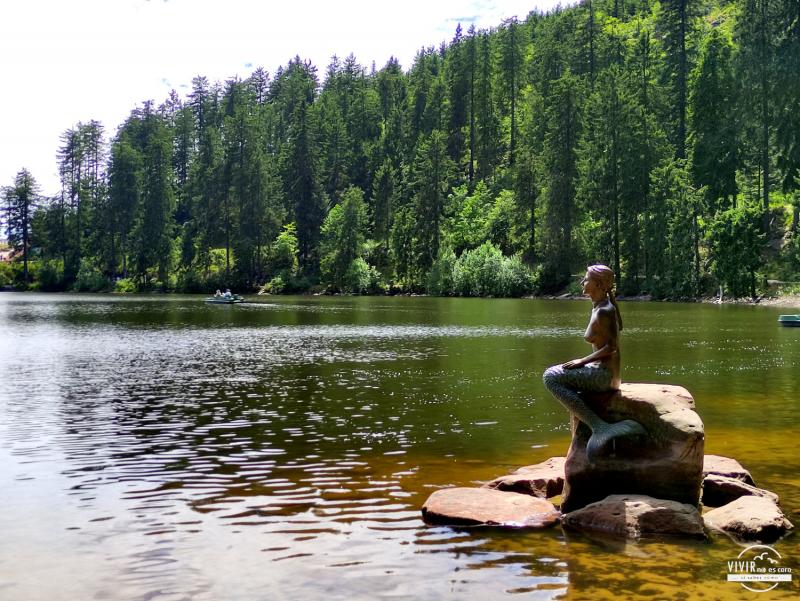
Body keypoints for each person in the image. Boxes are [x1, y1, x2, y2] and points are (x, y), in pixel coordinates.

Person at [542, 264, 645, 462]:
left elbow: (612, 347)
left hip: (604, 377)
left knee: (550, 377)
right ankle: (594, 426)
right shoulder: (602, 306)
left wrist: (582, 361)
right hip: (602, 372)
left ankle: (600, 427)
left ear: (598, 284)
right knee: (559, 377)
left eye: (586, 279)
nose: (583, 282)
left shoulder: (604, 310)